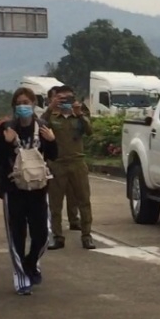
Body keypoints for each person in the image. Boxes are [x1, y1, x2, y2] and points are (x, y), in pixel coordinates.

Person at [0, 87, 58, 295]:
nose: (23, 106)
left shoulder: (43, 127)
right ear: (14, 106)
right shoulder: (6, 128)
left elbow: (53, 156)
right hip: (14, 190)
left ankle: (30, 262)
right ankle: (21, 278)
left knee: (43, 234)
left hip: (38, 189)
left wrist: (52, 141)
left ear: (33, 104)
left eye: (26, 102)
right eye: (19, 103)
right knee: (17, 235)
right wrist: (6, 143)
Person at [46, 85, 95, 250]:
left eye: (69, 98)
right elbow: (39, 125)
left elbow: (89, 131)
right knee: (55, 203)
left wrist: (79, 113)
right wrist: (51, 107)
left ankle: (86, 235)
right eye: (62, 98)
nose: (66, 101)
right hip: (57, 163)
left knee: (84, 201)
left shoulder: (79, 115)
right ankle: (57, 236)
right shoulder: (52, 116)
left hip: (77, 162)